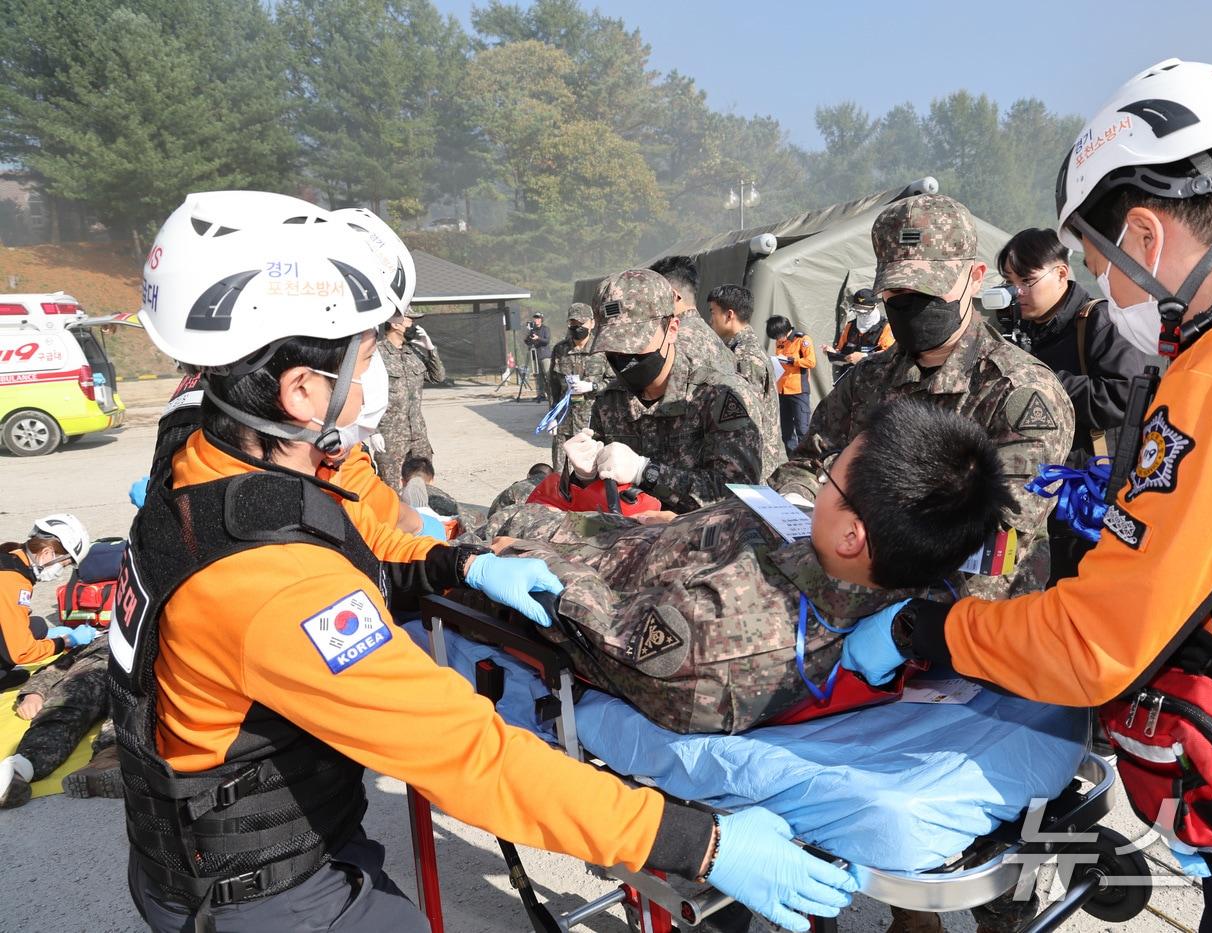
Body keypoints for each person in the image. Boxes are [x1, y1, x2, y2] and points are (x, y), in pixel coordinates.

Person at [119, 191, 855, 933]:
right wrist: (703, 842)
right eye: (367, 356)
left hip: (269, 839)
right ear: (303, 390)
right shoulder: (268, 582)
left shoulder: (214, 457)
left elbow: (360, 549)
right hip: (264, 893)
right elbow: (473, 757)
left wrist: (458, 566)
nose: (376, 375)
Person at [839, 60, 1212, 933]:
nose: (1105, 289)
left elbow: (1097, 644)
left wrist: (931, 630)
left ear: (1144, 234)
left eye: (1102, 264)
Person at [488, 397, 1016, 734]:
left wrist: (515, 555)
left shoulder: (716, 633)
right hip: (641, 539)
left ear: (853, 536)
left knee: (485, 519)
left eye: (830, 480)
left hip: (582, 561)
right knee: (535, 492)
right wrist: (680, 527)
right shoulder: (892, 560)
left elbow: (590, 626)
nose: (818, 487)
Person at [770, 194, 1074, 604]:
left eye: (929, 286)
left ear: (975, 278)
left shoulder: (1020, 393)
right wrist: (796, 502)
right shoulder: (869, 377)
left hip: (967, 610)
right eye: (897, 289)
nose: (912, 301)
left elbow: (1001, 530)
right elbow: (809, 460)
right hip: (845, 578)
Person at [995, 228, 1155, 581]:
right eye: (1009, 281)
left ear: (1062, 274)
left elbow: (1121, 397)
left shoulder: (1101, 321)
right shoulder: (1017, 332)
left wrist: (1041, 380)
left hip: (1086, 496)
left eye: (1027, 280)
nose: (1016, 292)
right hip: (1032, 495)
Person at [563, 269, 785, 515]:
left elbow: (737, 495)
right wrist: (584, 477)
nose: (624, 357)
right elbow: (602, 500)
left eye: (634, 342)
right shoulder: (610, 402)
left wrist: (644, 471)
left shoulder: (718, 396)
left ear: (672, 329)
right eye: (613, 346)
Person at [0, 628, 116, 809]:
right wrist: (34, 693)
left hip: (134, 675)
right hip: (87, 675)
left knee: (129, 713)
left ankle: (106, 762)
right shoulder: (98, 641)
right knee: (58, 714)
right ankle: (17, 770)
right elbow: (55, 667)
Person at [1, 515, 95, 691]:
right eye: (64, 565)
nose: (60, 572)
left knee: (37, 626)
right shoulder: (13, 582)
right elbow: (22, 652)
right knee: (24, 643)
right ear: (46, 553)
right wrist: (64, 642)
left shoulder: (10, 557)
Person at [375, 306, 445, 489]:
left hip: (418, 436)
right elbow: (363, 394)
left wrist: (431, 350)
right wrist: (373, 431)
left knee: (424, 488)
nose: (413, 324)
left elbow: (438, 377)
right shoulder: (376, 353)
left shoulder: (413, 352)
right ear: (394, 323)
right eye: (409, 319)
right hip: (391, 437)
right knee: (393, 490)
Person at [547, 303, 610, 470]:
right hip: (564, 422)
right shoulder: (560, 349)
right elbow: (553, 386)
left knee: (589, 472)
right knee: (560, 472)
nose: (576, 328)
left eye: (580, 324)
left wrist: (592, 386)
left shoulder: (602, 349)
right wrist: (552, 416)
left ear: (592, 323)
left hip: (592, 424)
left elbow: (615, 382)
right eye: (572, 325)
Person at [707, 283, 778, 425]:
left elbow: (748, 416)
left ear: (729, 315)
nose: (710, 320)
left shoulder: (745, 355)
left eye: (713, 312)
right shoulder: (740, 347)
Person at [768, 315, 816, 455]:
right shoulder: (779, 342)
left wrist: (791, 360)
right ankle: (793, 460)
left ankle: (808, 460)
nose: (777, 340)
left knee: (802, 428)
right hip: (782, 390)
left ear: (784, 331)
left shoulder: (803, 340)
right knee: (786, 431)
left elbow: (811, 362)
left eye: (778, 336)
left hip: (798, 390)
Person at [822, 288, 894, 379]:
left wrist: (865, 356)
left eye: (865, 311)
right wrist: (832, 353)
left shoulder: (885, 327)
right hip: (848, 380)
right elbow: (841, 352)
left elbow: (890, 355)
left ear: (875, 306)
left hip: (874, 382)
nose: (861, 314)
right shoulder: (850, 326)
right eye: (857, 311)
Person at [523, 311, 552, 402]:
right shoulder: (533, 330)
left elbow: (546, 341)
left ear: (541, 320)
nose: (536, 320)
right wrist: (528, 335)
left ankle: (552, 394)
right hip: (535, 356)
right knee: (538, 377)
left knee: (548, 375)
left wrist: (538, 338)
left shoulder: (545, 329)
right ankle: (541, 395)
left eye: (538, 318)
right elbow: (528, 342)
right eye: (535, 318)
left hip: (545, 356)